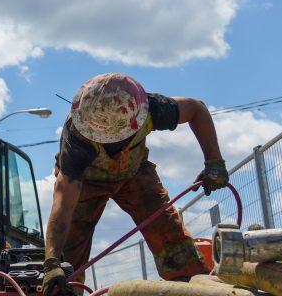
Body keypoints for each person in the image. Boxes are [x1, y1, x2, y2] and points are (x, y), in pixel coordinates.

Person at [42, 73, 229, 295]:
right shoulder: (77, 142)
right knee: (68, 258)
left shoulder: (150, 108)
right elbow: (63, 205)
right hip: (88, 180)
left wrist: (214, 162)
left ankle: (193, 287)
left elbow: (196, 109)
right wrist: (52, 263)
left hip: (134, 173)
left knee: (168, 233)